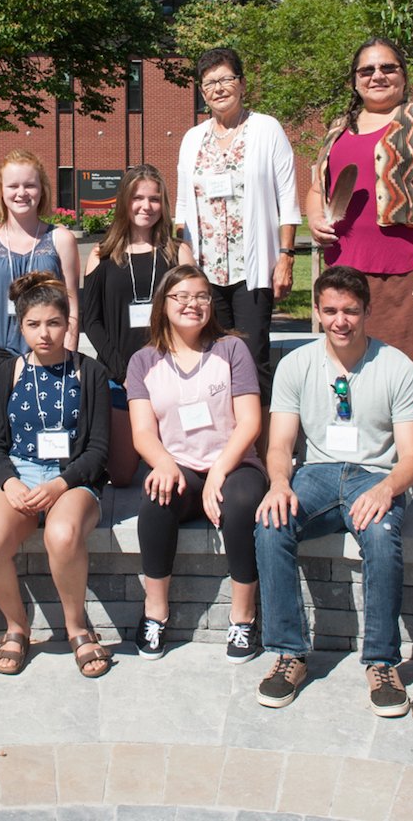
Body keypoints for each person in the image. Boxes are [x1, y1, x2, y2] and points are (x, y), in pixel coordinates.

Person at [254, 265, 413, 715]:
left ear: (367, 311)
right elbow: (279, 444)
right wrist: (277, 483)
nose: (340, 321)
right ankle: (288, 653)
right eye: (330, 310)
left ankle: (382, 662)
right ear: (316, 312)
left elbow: (412, 457)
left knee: (380, 534)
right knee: (271, 525)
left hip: (375, 475)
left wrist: (388, 489)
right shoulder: (297, 365)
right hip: (315, 473)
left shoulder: (396, 366)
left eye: (350, 310)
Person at [0, 272, 112, 678]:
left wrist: (59, 484)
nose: (44, 333)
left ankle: (76, 627)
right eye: (33, 324)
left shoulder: (89, 372)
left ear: (69, 323)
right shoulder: (8, 373)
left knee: (62, 535)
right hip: (20, 472)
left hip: (72, 477)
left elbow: (98, 449)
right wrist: (11, 482)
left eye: (53, 322)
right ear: (21, 326)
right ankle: (17, 626)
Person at [306, 38, 413, 403]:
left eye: (388, 68)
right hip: (345, 275)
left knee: (412, 370)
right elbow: (317, 190)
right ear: (355, 81)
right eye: (367, 70)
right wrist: (314, 217)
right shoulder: (339, 127)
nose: (377, 76)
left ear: (403, 76)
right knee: (351, 372)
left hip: (405, 275)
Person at [126, 265, 267, 662]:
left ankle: (243, 617)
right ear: (163, 303)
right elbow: (142, 431)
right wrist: (163, 463)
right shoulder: (143, 361)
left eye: (202, 296)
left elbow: (251, 421)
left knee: (240, 505)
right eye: (182, 296)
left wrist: (220, 469)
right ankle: (155, 612)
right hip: (179, 465)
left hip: (234, 462)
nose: (193, 304)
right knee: (155, 500)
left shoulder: (231, 349)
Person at [174, 48, 301, 391]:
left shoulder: (266, 129)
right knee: (209, 358)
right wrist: (184, 265)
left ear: (242, 84)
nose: (218, 88)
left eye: (225, 79)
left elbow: (288, 199)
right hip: (204, 271)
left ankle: (258, 443)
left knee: (251, 356)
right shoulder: (191, 140)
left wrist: (286, 258)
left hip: (252, 271)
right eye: (209, 83)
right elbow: (183, 206)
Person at [80, 164, 191, 486]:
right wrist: (124, 372)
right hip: (120, 376)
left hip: (173, 374)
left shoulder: (178, 252)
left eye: (154, 199)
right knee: (123, 474)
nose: (146, 206)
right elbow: (92, 320)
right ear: (124, 202)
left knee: (182, 467)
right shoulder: (101, 255)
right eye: (138, 198)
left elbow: (195, 316)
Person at [0, 151, 81, 374]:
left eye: (29, 185)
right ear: (1, 190)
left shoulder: (61, 240)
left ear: (42, 189)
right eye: (13, 186)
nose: (21, 193)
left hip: (48, 355)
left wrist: (68, 354)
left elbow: (72, 305)